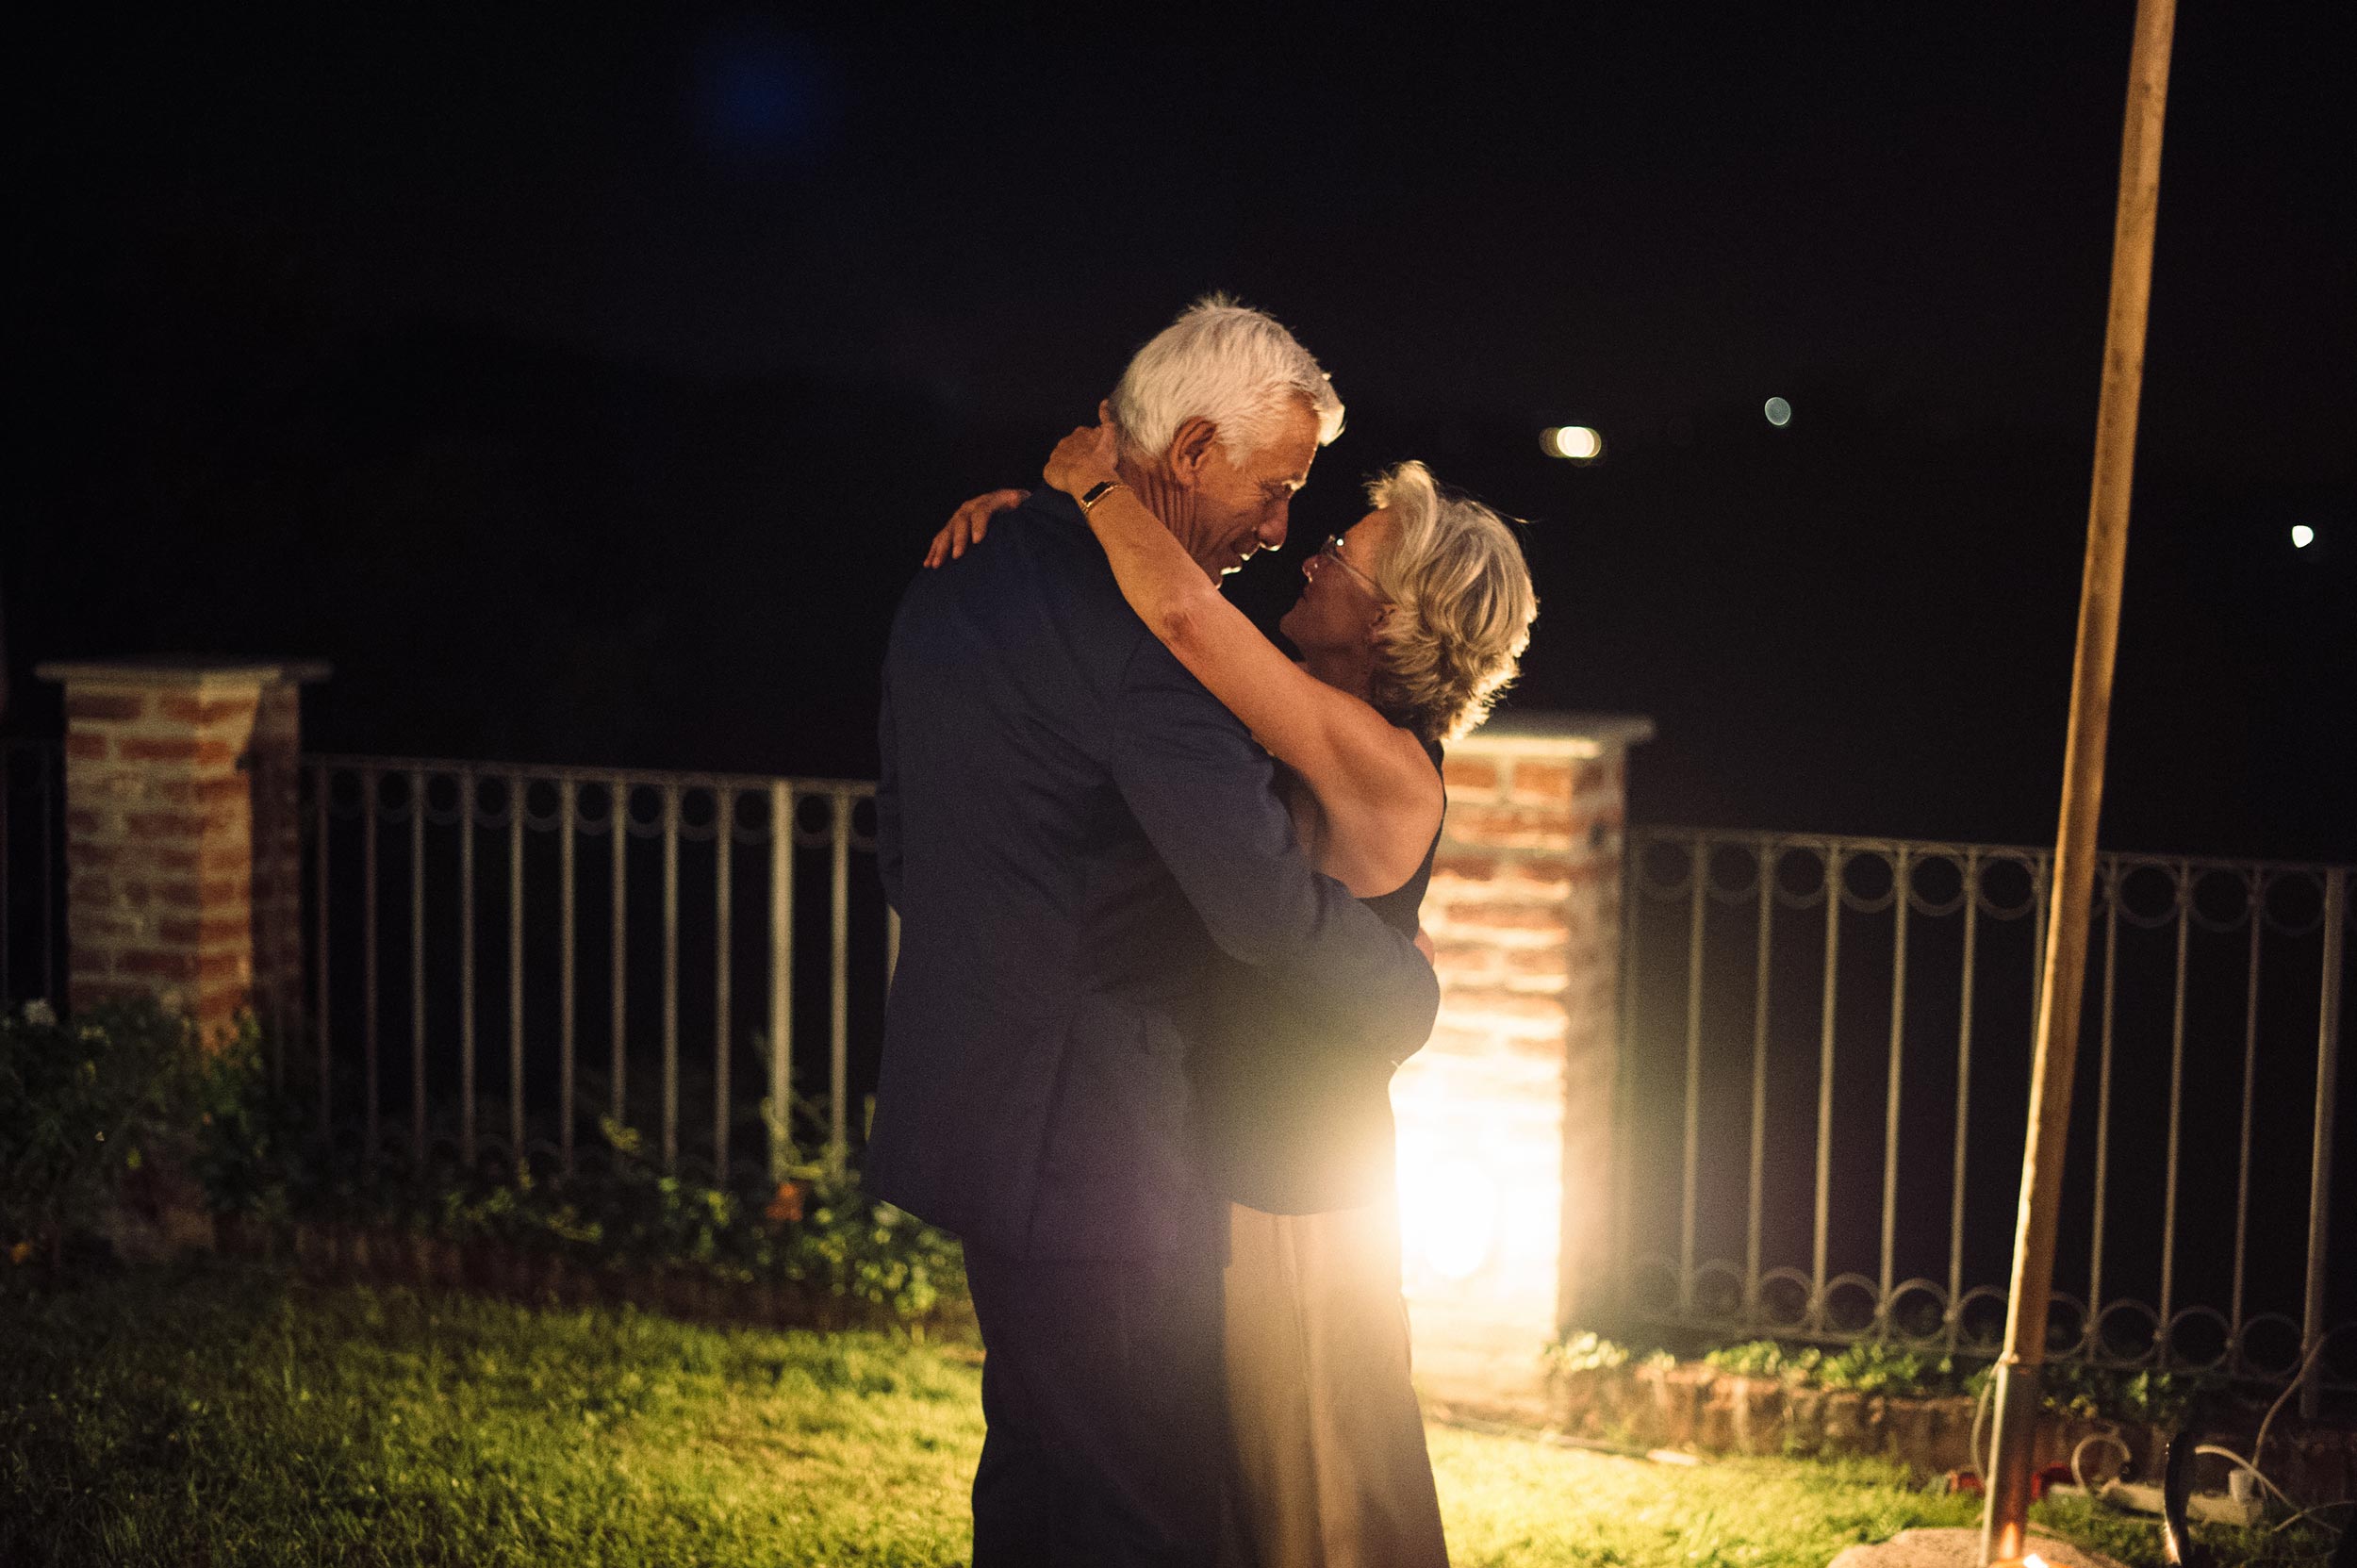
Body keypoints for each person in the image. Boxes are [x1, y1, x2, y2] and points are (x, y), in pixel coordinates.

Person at [868, 295, 1442, 1568]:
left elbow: (903, 844)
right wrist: (1403, 994)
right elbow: (1259, 911)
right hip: (1104, 1149)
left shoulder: (952, 580)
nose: (1284, 525)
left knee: (1030, 1468)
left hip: (973, 1107)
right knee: (1150, 1510)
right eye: (1276, 487)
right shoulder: (1156, 647)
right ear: (1188, 454)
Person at [929, 424, 1538, 1567]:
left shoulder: (1383, 763)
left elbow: (1182, 619)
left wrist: (1088, 483)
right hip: (1229, 1160)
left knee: (1315, 1500)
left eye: (1342, 560)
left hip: (1296, 1198)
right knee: (1212, 1488)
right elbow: (1162, 607)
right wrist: (1032, 526)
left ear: (1396, 621)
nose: (1308, 556)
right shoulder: (1310, 711)